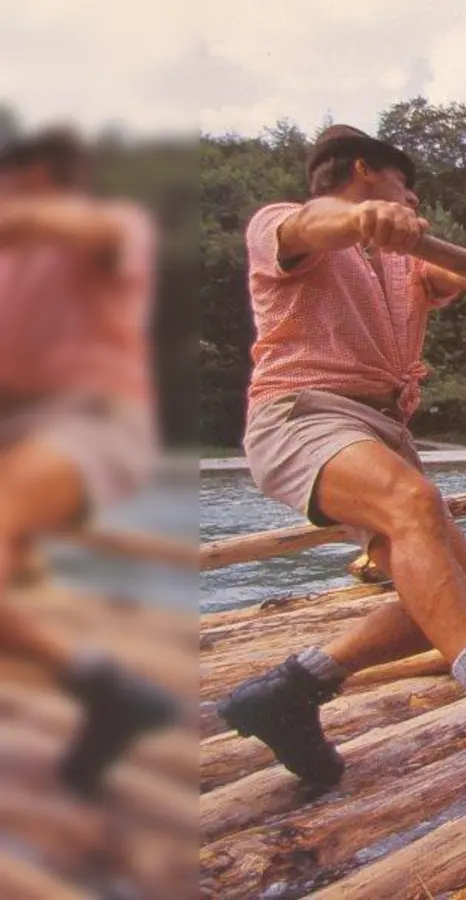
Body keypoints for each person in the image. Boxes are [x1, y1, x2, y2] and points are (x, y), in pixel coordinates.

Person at [217, 126, 466, 786]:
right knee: (411, 502)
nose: (413, 202)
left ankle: (292, 690)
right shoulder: (282, 224)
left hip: (379, 433)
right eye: (404, 188)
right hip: (302, 416)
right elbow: (313, 226)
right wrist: (362, 217)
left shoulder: (404, 260)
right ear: (365, 171)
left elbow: (461, 262)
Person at [0, 125, 178, 796]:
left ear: (39, 177)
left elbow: (66, 227)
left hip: (88, 422)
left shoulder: (104, 225)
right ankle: (103, 694)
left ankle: (106, 692)